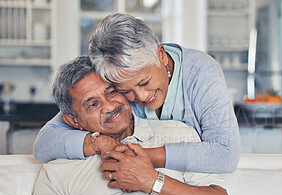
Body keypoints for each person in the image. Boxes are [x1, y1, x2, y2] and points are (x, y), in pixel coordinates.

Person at [26, 56, 234, 195]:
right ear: (74, 121)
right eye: (92, 104)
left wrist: (149, 180)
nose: (109, 106)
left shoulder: (178, 134)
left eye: (111, 92)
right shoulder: (60, 170)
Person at [33, 13, 240, 174]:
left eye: (144, 82)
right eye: (125, 91)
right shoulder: (111, 83)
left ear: (160, 55)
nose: (140, 97)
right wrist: (98, 143)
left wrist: (141, 158)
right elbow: (45, 143)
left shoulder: (202, 72)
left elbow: (225, 154)